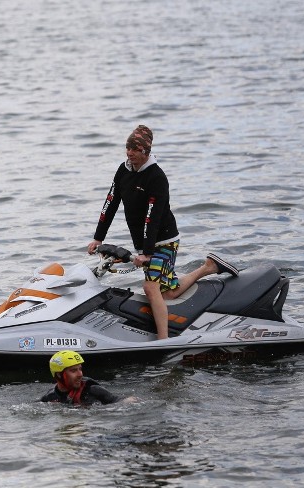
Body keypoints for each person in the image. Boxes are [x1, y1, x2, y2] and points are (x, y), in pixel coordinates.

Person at [86, 125, 239, 340]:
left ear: (145, 152)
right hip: (146, 243)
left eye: (134, 149)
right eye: (127, 148)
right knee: (168, 293)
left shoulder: (156, 177)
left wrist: (147, 252)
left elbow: (152, 217)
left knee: (150, 288)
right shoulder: (123, 170)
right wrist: (98, 237)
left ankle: (163, 340)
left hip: (164, 239)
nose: (129, 153)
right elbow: (110, 202)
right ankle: (208, 267)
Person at [40, 350, 120, 405]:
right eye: (73, 371)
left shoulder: (93, 390)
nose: (80, 374)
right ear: (59, 375)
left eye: (80, 369)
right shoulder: (49, 398)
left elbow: (122, 401)